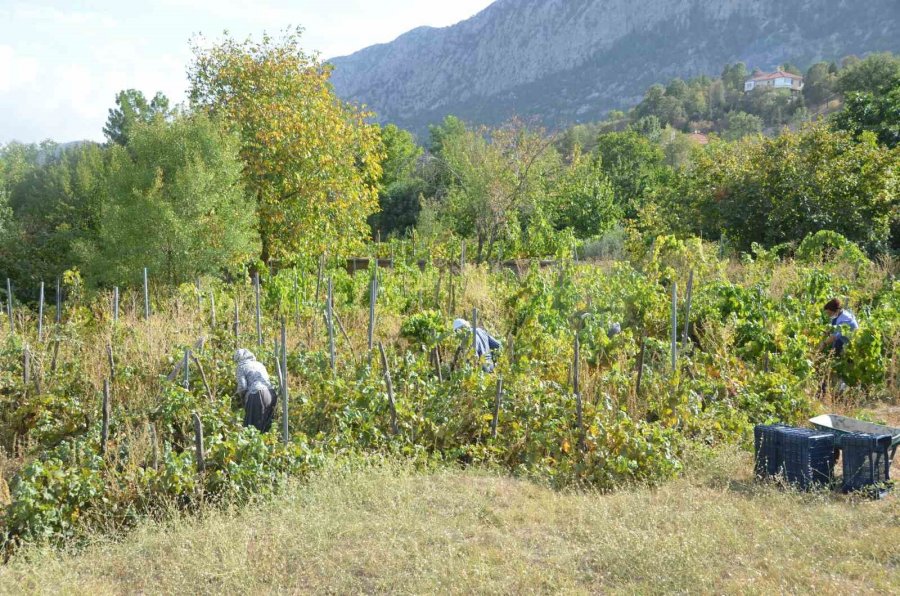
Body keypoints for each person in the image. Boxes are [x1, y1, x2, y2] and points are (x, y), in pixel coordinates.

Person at [233, 349, 277, 432]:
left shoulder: (241, 366)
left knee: (252, 428)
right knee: (266, 427)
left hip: (256, 395)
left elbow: (242, 386)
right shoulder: (259, 364)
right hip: (271, 394)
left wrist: (240, 398)